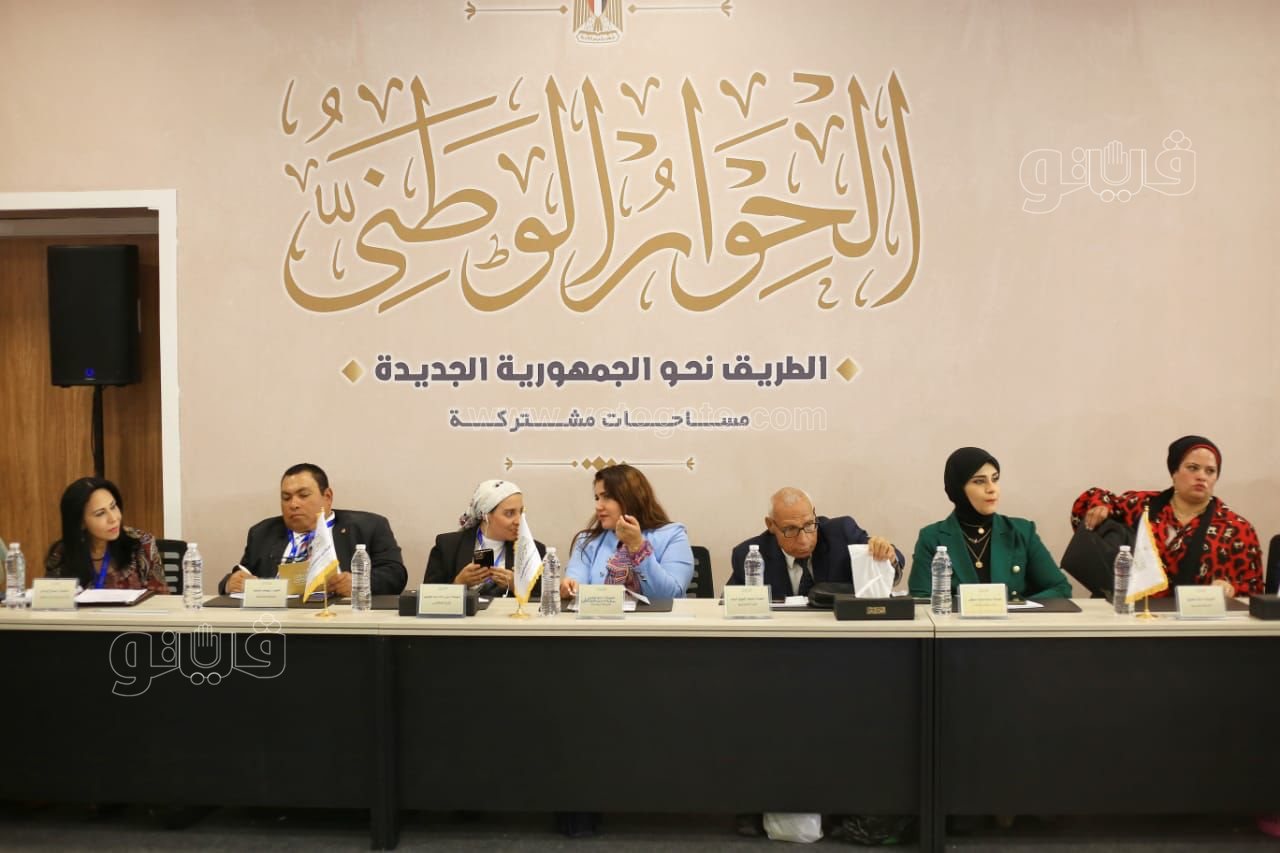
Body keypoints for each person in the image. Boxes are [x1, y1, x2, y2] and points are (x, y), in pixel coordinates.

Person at [1071, 435, 1262, 598]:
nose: (1202, 476)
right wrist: (1100, 506)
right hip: (1130, 615)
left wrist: (1230, 589)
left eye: (1210, 471)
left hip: (1197, 622)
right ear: (1174, 472)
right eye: (1193, 468)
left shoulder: (1236, 528)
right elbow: (1088, 508)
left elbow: (1255, 590)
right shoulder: (1141, 505)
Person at [218, 463, 407, 596]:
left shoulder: (368, 527)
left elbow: (395, 575)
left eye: (303, 495)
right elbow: (240, 575)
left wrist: (359, 583)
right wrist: (230, 583)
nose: (293, 504)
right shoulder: (263, 532)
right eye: (286, 498)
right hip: (275, 621)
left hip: (340, 622)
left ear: (327, 497)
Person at [910, 447, 1071, 600]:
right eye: (979, 481)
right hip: (956, 621)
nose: (992, 488)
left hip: (1014, 620)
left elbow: (1060, 588)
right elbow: (920, 600)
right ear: (957, 488)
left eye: (995, 479)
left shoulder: (1021, 531)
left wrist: (1018, 607)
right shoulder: (932, 537)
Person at [727, 487, 904, 599]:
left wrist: (887, 554)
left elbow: (893, 566)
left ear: (814, 514)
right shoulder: (748, 556)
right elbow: (729, 604)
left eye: (809, 525)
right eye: (791, 529)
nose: (804, 540)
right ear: (771, 525)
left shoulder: (842, 534)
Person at [560, 464, 693, 599]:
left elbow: (670, 596)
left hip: (658, 614)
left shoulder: (673, 535)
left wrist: (638, 547)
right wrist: (571, 588)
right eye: (597, 498)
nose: (598, 506)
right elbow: (576, 580)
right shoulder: (587, 541)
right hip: (602, 613)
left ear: (632, 498)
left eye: (607, 497)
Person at [44, 476, 168, 594]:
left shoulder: (141, 543)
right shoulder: (62, 553)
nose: (113, 518)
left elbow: (162, 601)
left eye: (113, 507)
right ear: (81, 523)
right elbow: (51, 602)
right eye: (100, 513)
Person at [424, 479, 546, 597]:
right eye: (509, 513)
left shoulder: (533, 550)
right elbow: (427, 599)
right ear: (485, 515)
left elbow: (545, 599)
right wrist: (458, 584)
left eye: (521, 512)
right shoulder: (448, 546)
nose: (519, 521)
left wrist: (518, 587)